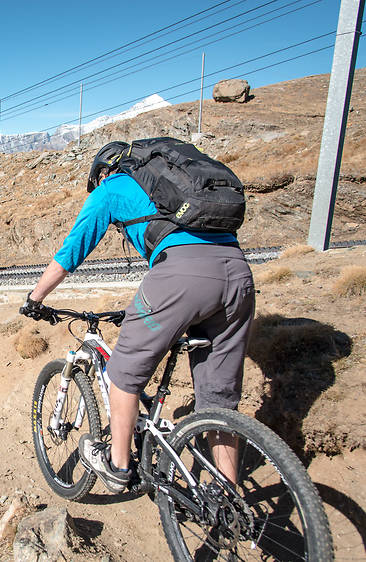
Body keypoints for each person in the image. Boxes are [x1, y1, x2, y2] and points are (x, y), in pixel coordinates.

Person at [20, 141, 255, 493]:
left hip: (180, 277)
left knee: (123, 373)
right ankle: (228, 496)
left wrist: (35, 298)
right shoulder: (171, 188)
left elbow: (72, 251)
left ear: (103, 171)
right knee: (218, 400)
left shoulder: (111, 187)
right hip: (238, 275)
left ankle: (117, 466)